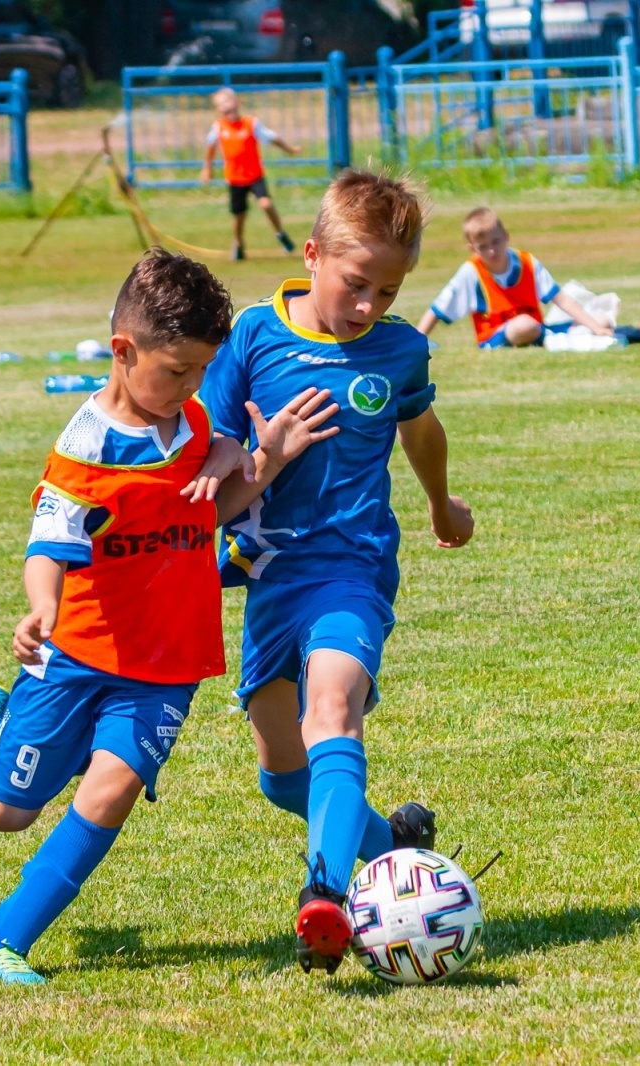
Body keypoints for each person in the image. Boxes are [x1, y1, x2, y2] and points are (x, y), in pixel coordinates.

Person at [0, 250, 341, 986]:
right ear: (123, 352)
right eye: (178, 371)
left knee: (109, 791)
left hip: (165, 667)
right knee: (2, 811)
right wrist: (41, 609)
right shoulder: (84, 451)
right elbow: (47, 547)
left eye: (201, 373)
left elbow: (211, 508)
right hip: (78, 653)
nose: (192, 387)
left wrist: (261, 460)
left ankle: (3, 941)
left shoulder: (191, 424)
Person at [198, 170, 476, 974]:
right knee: (285, 777)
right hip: (267, 577)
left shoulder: (399, 349)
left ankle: (324, 895)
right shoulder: (253, 336)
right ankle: (397, 851)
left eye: (387, 293)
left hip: (352, 568)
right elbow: (211, 448)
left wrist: (440, 504)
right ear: (312, 255)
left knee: (332, 710)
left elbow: (420, 428)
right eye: (357, 285)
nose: (369, 309)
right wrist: (258, 456)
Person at [416, 206, 613, 347]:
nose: (492, 251)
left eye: (496, 242)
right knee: (525, 325)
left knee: (602, 320)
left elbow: (560, 298)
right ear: (472, 249)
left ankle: (560, 335)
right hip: (496, 336)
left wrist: (594, 326)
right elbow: (438, 309)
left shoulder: (526, 261)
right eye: (483, 247)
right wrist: (417, 341)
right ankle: (551, 337)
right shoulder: (471, 272)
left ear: (506, 236)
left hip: (537, 328)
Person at [200, 87, 300, 261]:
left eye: (227, 103)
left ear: (237, 103)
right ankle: (238, 244)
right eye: (220, 105)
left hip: (254, 176)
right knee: (239, 216)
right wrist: (207, 168)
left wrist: (289, 149)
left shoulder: (251, 123)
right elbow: (210, 146)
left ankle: (280, 234)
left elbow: (272, 138)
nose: (224, 108)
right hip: (235, 179)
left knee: (266, 204)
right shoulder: (219, 127)